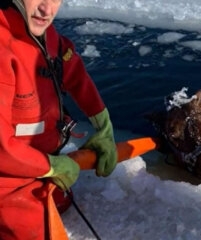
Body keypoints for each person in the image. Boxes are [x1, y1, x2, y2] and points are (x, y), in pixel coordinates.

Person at [0, 0, 118, 239]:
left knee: (60, 203)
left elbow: (74, 72)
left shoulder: (45, 37)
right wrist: (51, 166)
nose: (47, 9)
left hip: (36, 172)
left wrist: (103, 125)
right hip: (6, 184)